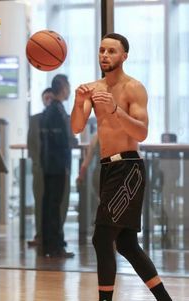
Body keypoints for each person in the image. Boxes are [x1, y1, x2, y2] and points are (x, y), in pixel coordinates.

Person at [71, 33, 172, 301]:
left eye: (111, 51)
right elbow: (77, 127)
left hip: (129, 167)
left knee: (101, 238)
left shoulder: (133, 88)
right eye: (102, 50)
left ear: (124, 56)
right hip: (106, 169)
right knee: (126, 243)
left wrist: (116, 110)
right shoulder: (94, 89)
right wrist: (77, 101)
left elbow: (142, 133)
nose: (105, 55)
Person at [40, 74, 76, 258]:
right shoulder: (56, 111)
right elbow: (60, 140)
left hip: (50, 165)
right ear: (62, 87)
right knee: (54, 206)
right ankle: (54, 246)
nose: (69, 90)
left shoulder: (50, 110)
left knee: (51, 206)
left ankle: (51, 244)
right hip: (56, 166)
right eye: (68, 86)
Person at [27, 88, 54, 246]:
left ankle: (55, 237)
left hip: (57, 168)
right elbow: (31, 143)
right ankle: (39, 235)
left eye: (51, 97)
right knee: (39, 203)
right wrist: (36, 163)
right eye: (46, 97)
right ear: (43, 99)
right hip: (40, 169)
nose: (49, 100)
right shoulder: (35, 119)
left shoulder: (64, 117)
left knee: (58, 205)